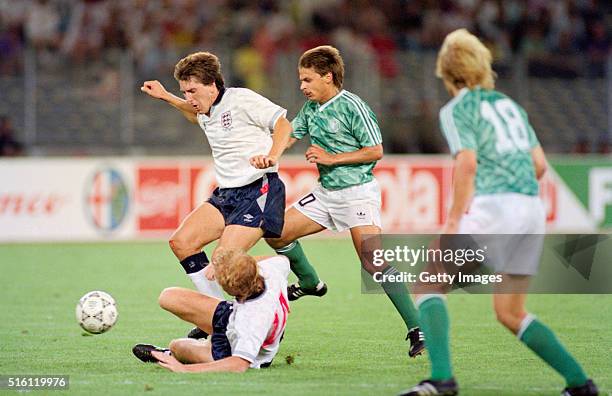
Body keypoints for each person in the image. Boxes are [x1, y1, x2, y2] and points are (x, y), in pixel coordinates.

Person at [399, 29, 598, 396]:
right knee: (510, 312)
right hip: (531, 210)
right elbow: (539, 165)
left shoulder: (457, 110)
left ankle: (442, 378)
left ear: (446, 72)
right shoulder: (511, 106)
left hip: (496, 206)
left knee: (428, 281)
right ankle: (580, 383)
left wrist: (454, 221)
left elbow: (468, 164)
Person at [264, 45, 424, 358]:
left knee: (372, 261)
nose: (302, 86)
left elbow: (375, 150)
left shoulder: (353, 106)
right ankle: (310, 282)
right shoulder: (311, 109)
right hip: (326, 193)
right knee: (275, 232)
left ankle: (417, 327)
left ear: (328, 77)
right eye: (301, 80)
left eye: (308, 80)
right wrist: (270, 154)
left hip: (357, 193)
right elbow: (291, 134)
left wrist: (332, 159)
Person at [140, 52, 292, 335]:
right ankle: (219, 317)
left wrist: (272, 155)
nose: (189, 97)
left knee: (223, 262)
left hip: (259, 188)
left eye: (193, 91)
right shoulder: (205, 108)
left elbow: (284, 124)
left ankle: (270, 313)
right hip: (226, 195)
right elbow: (194, 113)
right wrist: (167, 97)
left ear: (213, 84)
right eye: (185, 91)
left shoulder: (241, 100)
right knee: (181, 242)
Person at [132, 249, 290, 372]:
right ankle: (207, 337)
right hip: (231, 316)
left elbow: (239, 365)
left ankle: (169, 354)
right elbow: (284, 259)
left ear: (232, 290)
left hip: (230, 351)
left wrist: (185, 369)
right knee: (168, 297)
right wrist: (236, 264)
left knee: (177, 346)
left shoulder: (253, 319)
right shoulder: (270, 270)